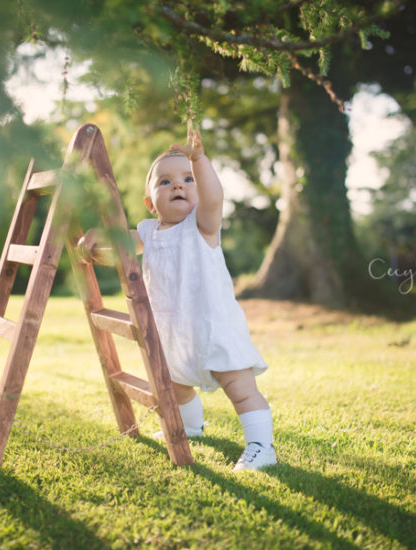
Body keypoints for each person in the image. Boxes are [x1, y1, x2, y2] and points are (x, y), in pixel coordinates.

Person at [78, 124, 276, 471]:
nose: (178, 186)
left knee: (240, 389)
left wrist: (199, 160)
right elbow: (120, 248)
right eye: (165, 182)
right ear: (150, 203)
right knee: (174, 385)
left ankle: (262, 447)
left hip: (216, 328)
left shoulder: (203, 225)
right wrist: (98, 237)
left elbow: (214, 197)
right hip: (175, 332)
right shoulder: (149, 232)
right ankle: (193, 427)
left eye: (188, 179)